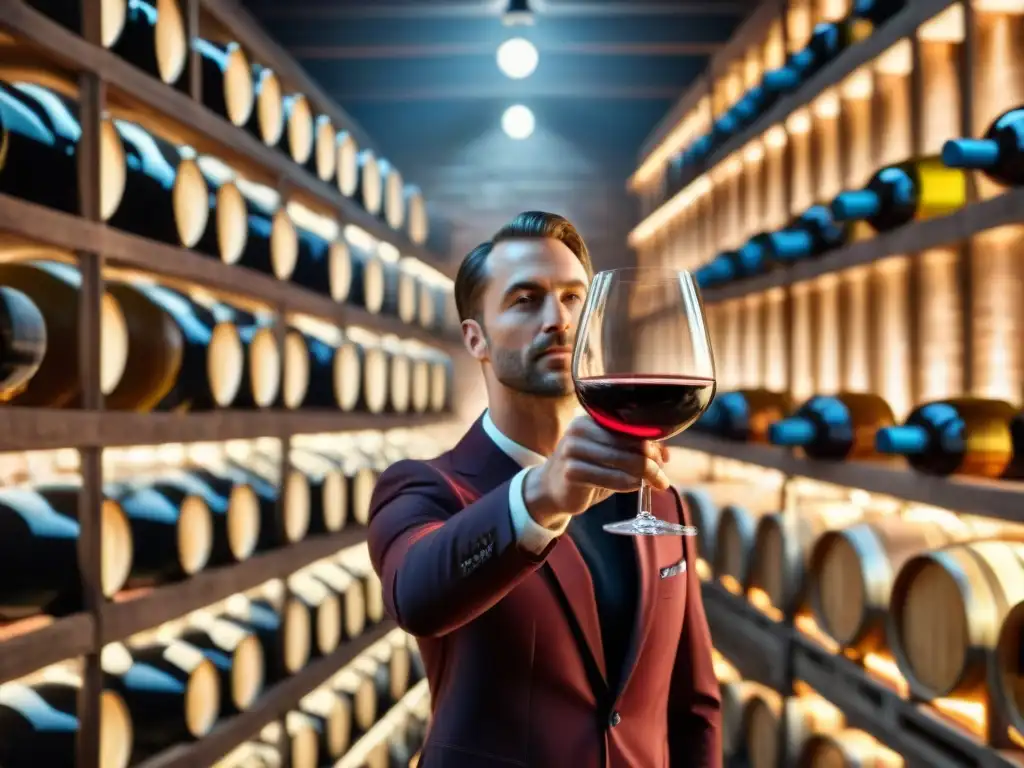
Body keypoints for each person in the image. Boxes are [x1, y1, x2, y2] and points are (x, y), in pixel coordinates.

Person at [367, 211, 721, 767]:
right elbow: (415, 596)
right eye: (526, 299)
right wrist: (541, 494)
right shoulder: (425, 487)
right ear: (475, 338)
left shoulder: (659, 498)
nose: (557, 319)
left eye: (574, 298)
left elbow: (694, 705)